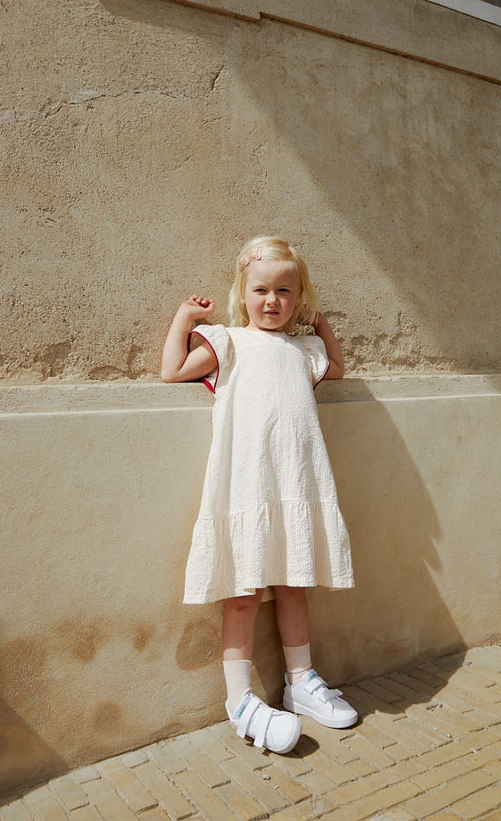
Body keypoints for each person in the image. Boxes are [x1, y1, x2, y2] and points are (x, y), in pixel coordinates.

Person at [161, 236, 358, 754]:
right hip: (248, 488)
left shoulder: (302, 351)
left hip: (294, 485)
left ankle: (301, 681)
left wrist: (320, 323)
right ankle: (240, 701)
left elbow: (337, 367)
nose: (272, 300)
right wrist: (184, 319)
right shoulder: (228, 343)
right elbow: (171, 371)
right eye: (261, 290)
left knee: (294, 583)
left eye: (285, 292)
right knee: (243, 594)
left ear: (299, 298)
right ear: (243, 293)